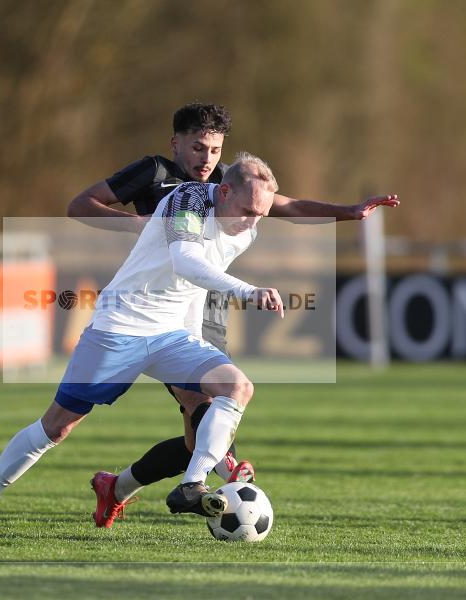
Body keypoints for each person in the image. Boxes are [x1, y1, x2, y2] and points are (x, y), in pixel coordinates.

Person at [67, 102, 399, 528]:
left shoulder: (230, 184)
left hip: (206, 310)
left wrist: (349, 212)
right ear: (177, 144)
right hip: (154, 309)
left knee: (196, 438)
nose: (206, 159)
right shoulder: (153, 174)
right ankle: (223, 472)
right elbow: (81, 205)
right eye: (198, 148)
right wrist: (143, 225)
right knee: (205, 405)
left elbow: (289, 206)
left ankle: (117, 487)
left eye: (215, 150)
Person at [0, 152, 284, 535]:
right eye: (248, 210)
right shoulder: (188, 200)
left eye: (261, 214)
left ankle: (192, 485)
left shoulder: (246, 228)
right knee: (56, 427)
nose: (253, 221)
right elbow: (185, 262)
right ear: (224, 191)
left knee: (236, 388)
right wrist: (247, 290)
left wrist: (193, 341)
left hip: (171, 336)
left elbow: (196, 285)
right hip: (119, 327)